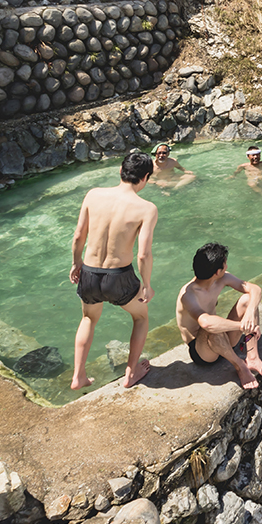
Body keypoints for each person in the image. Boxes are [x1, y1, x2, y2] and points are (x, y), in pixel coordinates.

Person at [69, 152, 158, 390]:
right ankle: (131, 373)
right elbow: (143, 254)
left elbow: (79, 235)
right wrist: (147, 284)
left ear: (121, 171)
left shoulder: (93, 195)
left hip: (88, 272)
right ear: (145, 177)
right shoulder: (146, 208)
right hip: (119, 277)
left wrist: (76, 262)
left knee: (88, 318)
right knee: (140, 316)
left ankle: (78, 376)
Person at [176, 242, 262, 390]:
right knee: (210, 327)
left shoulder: (222, 279)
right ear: (217, 271)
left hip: (224, 339)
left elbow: (255, 289)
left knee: (248, 300)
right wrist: (243, 326)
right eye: (225, 264)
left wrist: (249, 313)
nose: (227, 267)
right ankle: (240, 365)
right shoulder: (188, 294)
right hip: (203, 351)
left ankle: (253, 358)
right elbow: (205, 323)